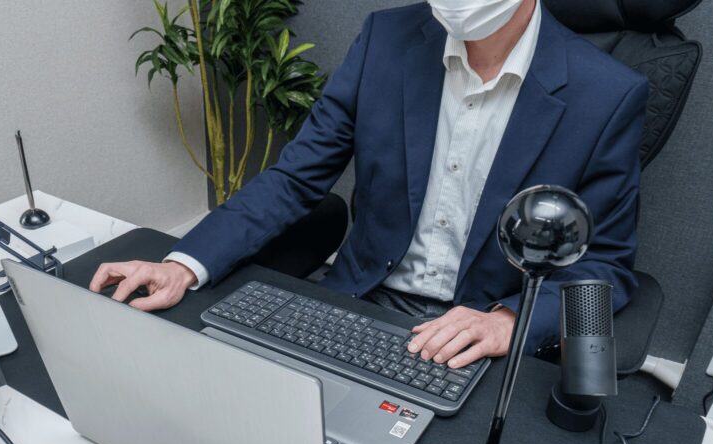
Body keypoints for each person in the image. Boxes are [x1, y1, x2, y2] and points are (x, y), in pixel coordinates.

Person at [91, 0, 647, 369]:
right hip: (358, 304)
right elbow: (295, 178)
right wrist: (182, 265)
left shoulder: (607, 94)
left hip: (473, 332)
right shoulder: (386, 38)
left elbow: (606, 266)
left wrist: (509, 322)